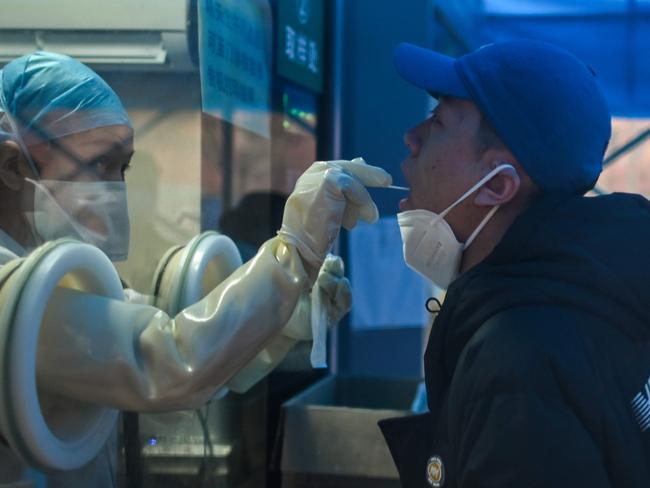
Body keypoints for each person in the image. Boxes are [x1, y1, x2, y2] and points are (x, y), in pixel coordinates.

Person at [0, 51, 389, 486]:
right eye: (98, 165)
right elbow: (169, 360)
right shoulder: (18, 294)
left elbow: (176, 336)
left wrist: (286, 320)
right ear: (14, 166)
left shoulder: (55, 280)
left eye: (122, 168)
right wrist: (292, 255)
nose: (117, 189)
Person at [371, 39, 650, 487]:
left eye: (438, 121)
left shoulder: (519, 365)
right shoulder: (591, 296)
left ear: (497, 185)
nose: (412, 137)